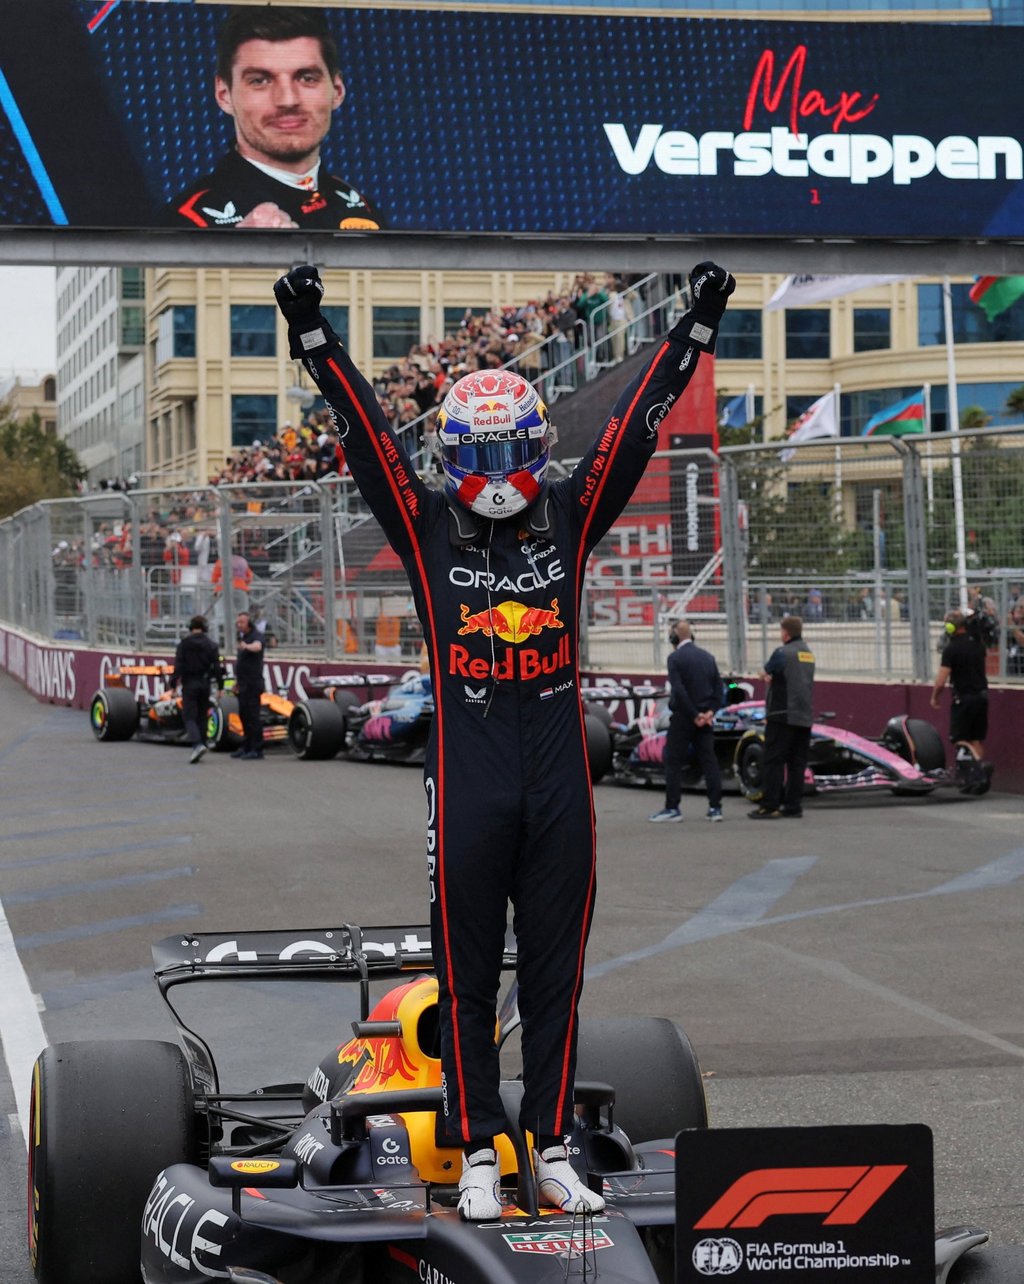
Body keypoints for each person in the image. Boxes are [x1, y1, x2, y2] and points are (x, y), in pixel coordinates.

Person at [273, 258, 734, 1219]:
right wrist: (316, 337)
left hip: (561, 772)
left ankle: (554, 1144)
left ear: (534, 448)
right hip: (469, 777)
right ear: (452, 459)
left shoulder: (570, 513)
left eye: (504, 456)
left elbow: (633, 431)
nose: (488, 479)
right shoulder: (428, 526)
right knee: (468, 976)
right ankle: (482, 1147)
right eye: (472, 459)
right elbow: (368, 443)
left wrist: (692, 327)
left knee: (560, 971)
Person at [164, 7, 384, 230]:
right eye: (260, 81)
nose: (287, 100)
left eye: (307, 78)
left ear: (337, 90)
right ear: (224, 95)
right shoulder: (186, 224)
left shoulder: (360, 207)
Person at [649, 620, 725, 823]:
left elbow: (679, 690)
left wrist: (693, 714)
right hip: (705, 718)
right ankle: (715, 808)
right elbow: (719, 689)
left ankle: (672, 807)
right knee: (709, 761)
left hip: (684, 717)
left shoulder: (675, 658)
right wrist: (709, 712)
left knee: (672, 760)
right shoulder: (708, 657)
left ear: (674, 637)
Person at [749, 615, 815, 820]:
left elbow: (765, 672)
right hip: (804, 715)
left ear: (785, 633)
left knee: (773, 761)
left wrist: (765, 676)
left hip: (782, 714)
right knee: (797, 763)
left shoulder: (782, 652)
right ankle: (793, 806)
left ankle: (770, 805)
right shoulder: (808, 654)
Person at [931, 610, 991, 781]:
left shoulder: (951, 649)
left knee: (960, 739)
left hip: (964, 699)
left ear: (951, 627)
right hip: (982, 696)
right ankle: (977, 776)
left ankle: (979, 768)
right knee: (976, 739)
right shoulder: (978, 644)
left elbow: (941, 680)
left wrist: (935, 697)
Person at [167, 615, 224, 764]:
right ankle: (203, 743)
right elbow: (217, 668)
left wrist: (173, 685)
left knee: (189, 716)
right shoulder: (211, 644)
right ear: (205, 628)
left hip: (190, 683)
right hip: (205, 683)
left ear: (190, 627)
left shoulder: (184, 644)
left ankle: (197, 744)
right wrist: (220, 686)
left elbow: (178, 666)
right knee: (202, 715)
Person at [232, 611, 265, 760]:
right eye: (238, 623)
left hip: (253, 684)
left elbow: (258, 647)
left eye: (242, 622)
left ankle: (256, 749)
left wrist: (247, 646)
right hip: (243, 684)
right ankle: (246, 746)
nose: (239, 625)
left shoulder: (256, 636)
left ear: (249, 623)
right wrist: (237, 682)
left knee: (253, 717)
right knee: (244, 716)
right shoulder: (243, 637)